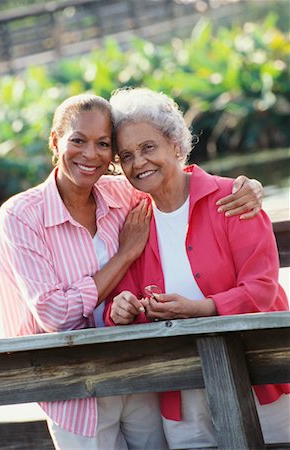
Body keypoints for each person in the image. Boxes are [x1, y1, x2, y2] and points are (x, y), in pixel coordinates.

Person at [0, 92, 263, 450]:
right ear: (56, 142)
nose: (90, 154)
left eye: (103, 144)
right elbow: (55, 315)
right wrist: (124, 255)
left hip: (139, 375)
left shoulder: (123, 194)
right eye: (78, 140)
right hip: (72, 388)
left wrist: (247, 187)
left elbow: (172, 180)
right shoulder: (21, 216)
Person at [104, 87, 290, 449]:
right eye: (126, 155)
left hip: (261, 377)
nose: (138, 163)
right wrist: (121, 308)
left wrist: (202, 310)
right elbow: (122, 299)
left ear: (175, 143)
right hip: (181, 392)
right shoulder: (134, 221)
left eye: (147, 148)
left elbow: (262, 290)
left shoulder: (231, 199)